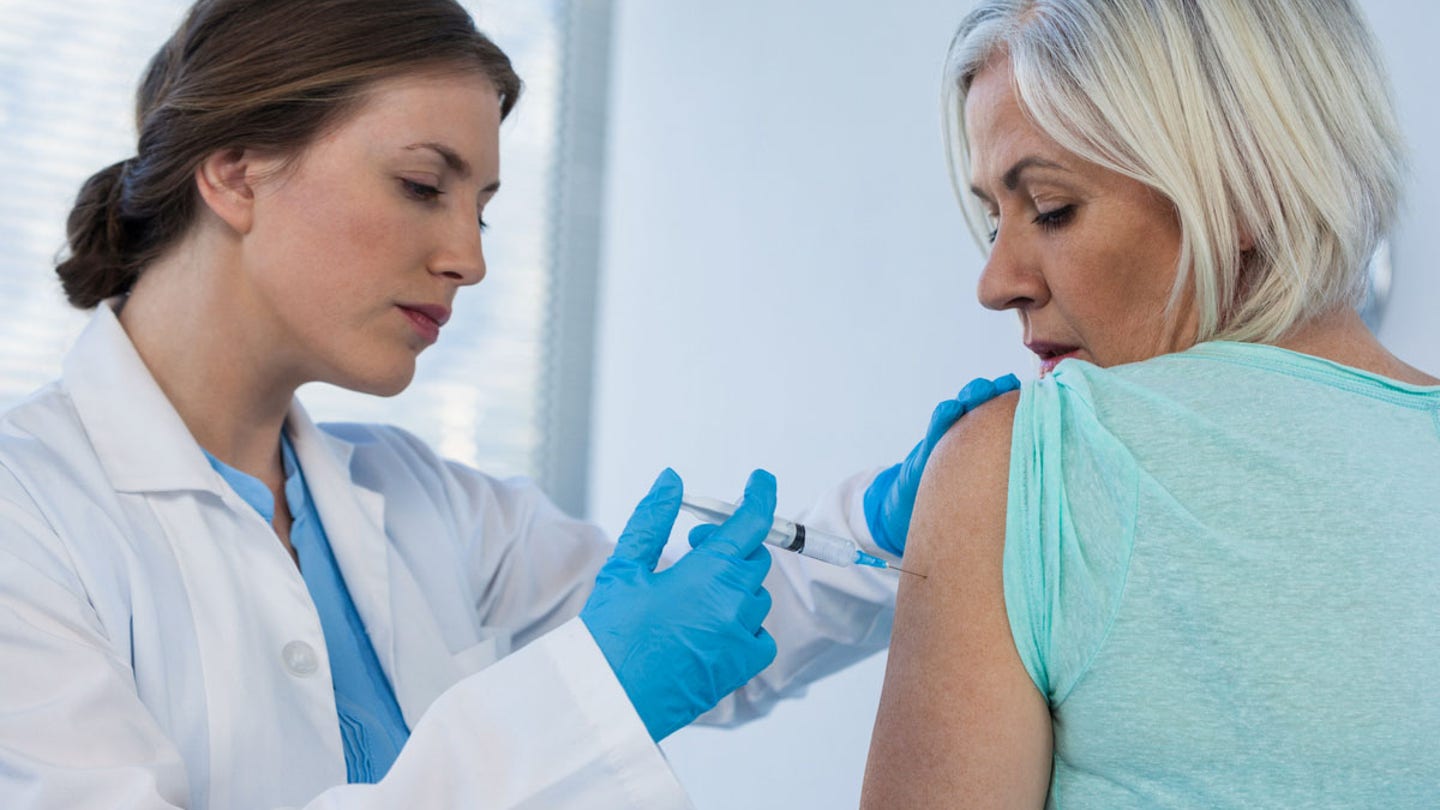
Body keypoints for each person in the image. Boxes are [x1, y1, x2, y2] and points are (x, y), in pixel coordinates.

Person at [0, 1, 1017, 807]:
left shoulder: (423, 507)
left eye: (481, 209)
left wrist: (897, 521)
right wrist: (592, 699)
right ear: (234, 170)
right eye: (420, 185)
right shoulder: (28, 517)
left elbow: (722, 630)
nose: (469, 259)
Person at [861, 0, 1439, 807]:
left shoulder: (1022, 469)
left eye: (1052, 209)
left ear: (1247, 187)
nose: (996, 283)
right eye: (995, 219)